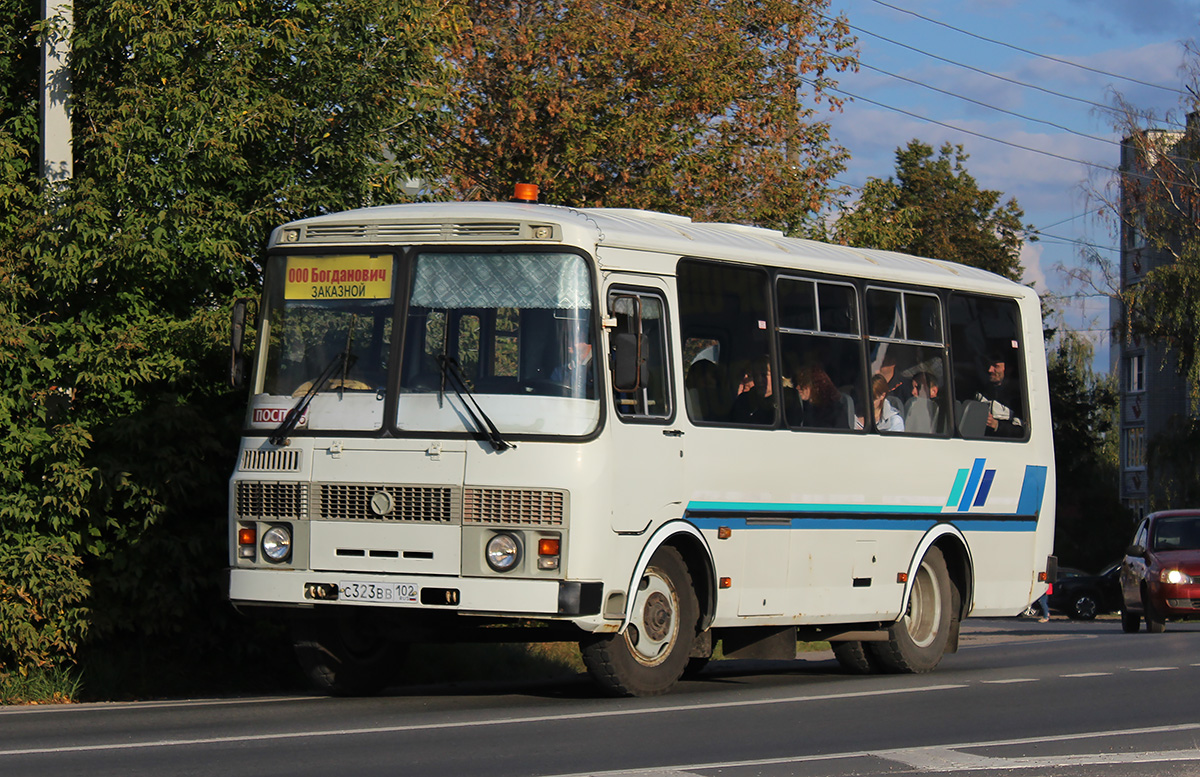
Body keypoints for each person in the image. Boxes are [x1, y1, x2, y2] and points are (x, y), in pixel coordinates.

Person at [976, 352, 1023, 437]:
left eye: (996, 366)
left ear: (1008, 369)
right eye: (989, 365)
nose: (990, 370)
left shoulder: (1018, 397)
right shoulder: (982, 390)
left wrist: (997, 425)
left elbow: (1021, 432)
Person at [791, 363, 844, 428]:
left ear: (815, 386)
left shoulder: (832, 412)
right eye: (797, 383)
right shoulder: (805, 408)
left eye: (802, 384)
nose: (797, 387)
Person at [731, 355, 780, 424]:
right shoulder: (744, 400)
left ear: (776, 376)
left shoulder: (785, 401)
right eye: (755, 375)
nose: (759, 380)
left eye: (764, 375)